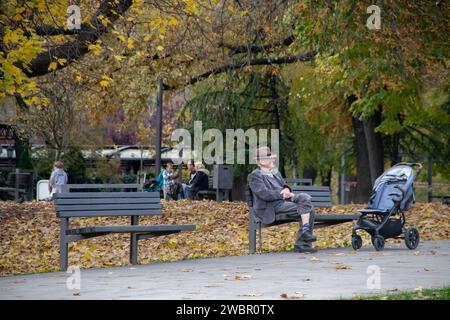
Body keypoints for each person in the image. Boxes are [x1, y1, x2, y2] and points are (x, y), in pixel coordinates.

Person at [248, 146, 317, 253]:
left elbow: (285, 185)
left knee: (305, 199)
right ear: (262, 161)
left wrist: (286, 189)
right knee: (309, 209)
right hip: (270, 207)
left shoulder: (275, 172)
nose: (273, 160)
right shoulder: (255, 175)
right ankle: (303, 242)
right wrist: (282, 194)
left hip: (283, 202)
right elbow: (264, 194)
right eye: (270, 158)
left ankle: (304, 236)